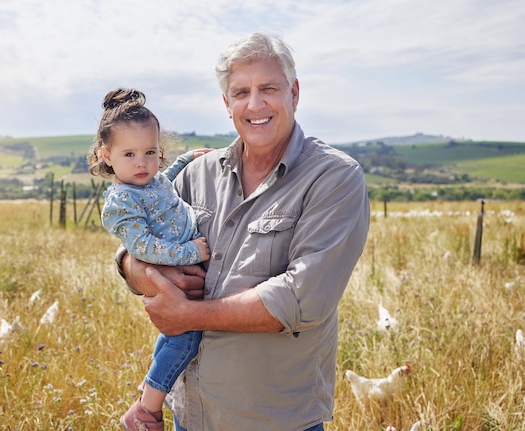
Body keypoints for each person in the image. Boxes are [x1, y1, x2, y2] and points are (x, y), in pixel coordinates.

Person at [116, 32, 370, 431]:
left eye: (268, 88)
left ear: (294, 92)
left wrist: (187, 313)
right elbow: (132, 247)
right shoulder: (198, 173)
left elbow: (302, 298)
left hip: (274, 419)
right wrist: (143, 271)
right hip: (192, 415)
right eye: (241, 92)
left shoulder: (334, 177)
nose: (255, 104)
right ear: (226, 104)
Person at [87, 88, 212, 431]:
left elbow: (165, 187)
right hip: (173, 273)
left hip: (182, 270)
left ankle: (148, 387)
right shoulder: (121, 201)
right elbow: (141, 246)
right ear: (107, 155)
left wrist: (186, 160)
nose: (142, 163)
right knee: (185, 339)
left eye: (150, 152)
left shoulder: (149, 182)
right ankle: (146, 411)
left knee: (173, 335)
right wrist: (190, 253)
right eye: (129, 154)